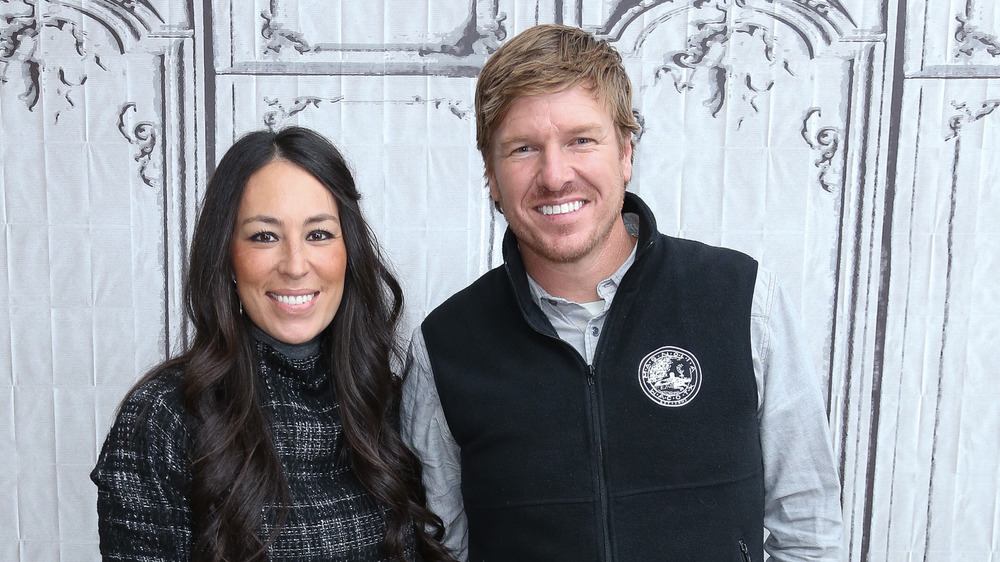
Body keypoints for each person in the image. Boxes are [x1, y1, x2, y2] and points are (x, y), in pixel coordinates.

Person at [401, 24, 844, 561]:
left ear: (626, 152)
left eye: (581, 140)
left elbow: (808, 532)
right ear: (491, 177)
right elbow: (441, 548)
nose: (555, 174)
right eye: (522, 149)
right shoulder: (446, 348)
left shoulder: (742, 301)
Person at [92, 126, 454, 562]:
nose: (296, 265)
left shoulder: (390, 403)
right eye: (264, 236)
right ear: (226, 256)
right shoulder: (164, 416)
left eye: (318, 234)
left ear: (349, 252)